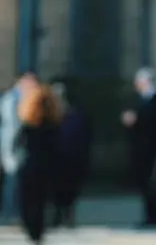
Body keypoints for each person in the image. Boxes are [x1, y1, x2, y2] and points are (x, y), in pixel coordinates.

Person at [121, 68, 156, 228]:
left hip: (155, 148)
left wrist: (138, 119)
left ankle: (154, 216)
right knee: (144, 184)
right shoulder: (138, 99)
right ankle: (149, 215)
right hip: (141, 148)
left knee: (153, 184)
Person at [17, 81, 61, 244]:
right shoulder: (54, 125)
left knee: (28, 199)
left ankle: (31, 229)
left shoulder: (29, 126)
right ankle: (39, 230)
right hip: (48, 166)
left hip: (30, 165)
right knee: (42, 200)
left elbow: (19, 144)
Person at [48, 78, 91, 228]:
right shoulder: (48, 114)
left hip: (72, 157)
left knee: (70, 189)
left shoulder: (76, 114)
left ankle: (67, 215)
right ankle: (57, 215)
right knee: (55, 189)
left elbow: (84, 136)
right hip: (54, 157)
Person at [0, 72, 38, 223]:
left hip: (17, 146)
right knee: (13, 181)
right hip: (12, 147)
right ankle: (11, 214)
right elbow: (14, 125)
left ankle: (15, 213)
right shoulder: (13, 99)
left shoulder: (20, 98)